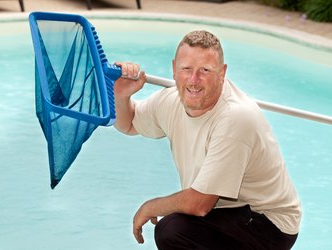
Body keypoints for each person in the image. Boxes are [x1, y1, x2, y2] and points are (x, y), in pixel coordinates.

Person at [113, 30, 301, 250]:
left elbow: (200, 204)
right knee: (175, 228)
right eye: (186, 69)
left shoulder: (235, 118)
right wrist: (121, 95)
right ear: (174, 69)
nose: (194, 80)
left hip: (269, 223)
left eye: (205, 70)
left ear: (222, 73)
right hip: (226, 210)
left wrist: (150, 207)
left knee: (173, 231)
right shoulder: (172, 100)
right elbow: (129, 123)